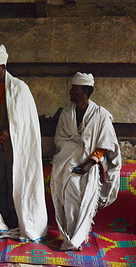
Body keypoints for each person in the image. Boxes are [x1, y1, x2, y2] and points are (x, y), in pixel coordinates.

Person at [0, 45, 48, 241]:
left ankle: (19, 223)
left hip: (16, 149)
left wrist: (11, 131)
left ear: (3, 66)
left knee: (17, 184)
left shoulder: (20, 89)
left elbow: (27, 122)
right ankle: (1, 223)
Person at [50, 72, 122, 251]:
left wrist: (89, 163)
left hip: (92, 163)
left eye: (74, 88)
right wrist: (75, 147)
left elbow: (106, 144)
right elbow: (59, 140)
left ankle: (76, 238)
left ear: (85, 91)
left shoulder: (101, 115)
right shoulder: (66, 114)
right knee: (66, 189)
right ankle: (70, 235)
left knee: (77, 188)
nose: (71, 91)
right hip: (67, 161)